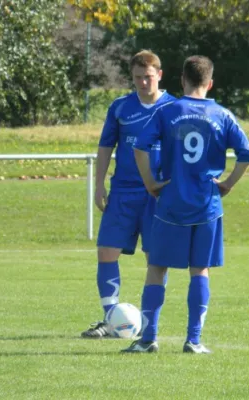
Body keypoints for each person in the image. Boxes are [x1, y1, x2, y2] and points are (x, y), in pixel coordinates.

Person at [123, 55, 249, 354]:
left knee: (157, 267)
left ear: (182, 80)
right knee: (200, 270)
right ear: (210, 83)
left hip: (170, 203)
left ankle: (147, 339)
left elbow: (140, 147)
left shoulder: (168, 111)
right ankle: (193, 340)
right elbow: (246, 154)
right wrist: (228, 184)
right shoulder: (222, 115)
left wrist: (150, 183)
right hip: (206, 204)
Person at [80, 50, 175, 338]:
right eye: (137, 78)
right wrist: (98, 185)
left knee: (155, 259)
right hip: (122, 191)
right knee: (106, 252)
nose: (143, 83)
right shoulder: (120, 107)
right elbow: (106, 147)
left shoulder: (175, 108)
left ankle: (148, 324)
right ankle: (111, 320)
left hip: (158, 195)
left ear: (159, 75)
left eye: (148, 77)